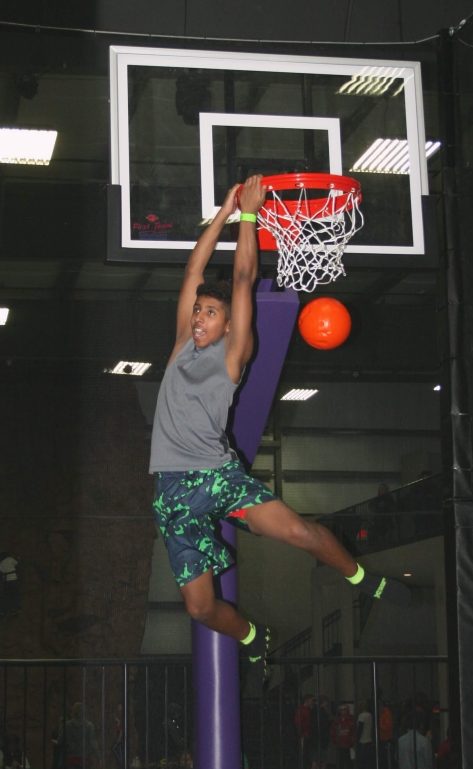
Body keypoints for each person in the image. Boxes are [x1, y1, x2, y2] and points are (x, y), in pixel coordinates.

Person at [149, 175, 412, 689]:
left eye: (210, 312)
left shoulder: (232, 355)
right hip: (171, 493)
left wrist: (249, 215)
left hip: (218, 478)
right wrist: (222, 215)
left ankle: (363, 580)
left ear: (230, 327)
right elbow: (193, 269)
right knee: (201, 609)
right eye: (198, 310)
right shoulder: (183, 344)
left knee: (299, 533)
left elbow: (243, 279)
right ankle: (252, 637)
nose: (200, 316)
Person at [306, 694, 332, 769]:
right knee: (320, 761)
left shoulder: (313, 711)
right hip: (321, 740)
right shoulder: (322, 713)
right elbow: (324, 727)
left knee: (316, 761)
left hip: (313, 739)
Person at [331, 703, 355, 769]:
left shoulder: (351, 719)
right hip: (340, 744)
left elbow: (354, 732)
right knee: (340, 763)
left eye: (345, 710)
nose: (343, 712)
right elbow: (334, 731)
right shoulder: (337, 720)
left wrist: (352, 741)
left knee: (349, 764)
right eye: (342, 710)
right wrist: (335, 740)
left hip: (349, 745)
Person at [294, 693, 314, 769]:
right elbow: (298, 724)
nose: (312, 703)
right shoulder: (302, 710)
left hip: (308, 735)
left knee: (309, 757)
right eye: (311, 700)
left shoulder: (308, 710)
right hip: (304, 735)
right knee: (304, 757)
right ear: (306, 700)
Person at [355, 700, 375, 769]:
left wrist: (356, 740)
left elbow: (360, 729)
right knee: (368, 763)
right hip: (369, 740)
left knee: (361, 763)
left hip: (362, 741)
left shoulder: (361, 716)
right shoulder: (370, 715)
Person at [0, 551, 21, 617]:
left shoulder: (1, 563)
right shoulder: (10, 559)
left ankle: (3, 610)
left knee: (6, 595)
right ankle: (15, 608)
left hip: (6, 581)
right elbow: (17, 564)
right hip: (13, 579)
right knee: (15, 593)